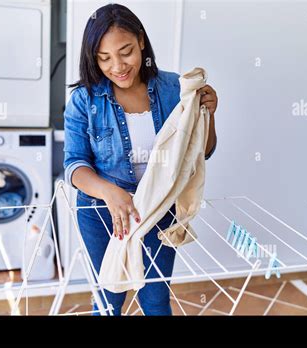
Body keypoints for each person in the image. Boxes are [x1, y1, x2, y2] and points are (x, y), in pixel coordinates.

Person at [63, 3, 218, 316]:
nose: (118, 66)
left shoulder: (175, 89)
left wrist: (209, 114)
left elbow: (202, 152)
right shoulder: (84, 100)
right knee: (108, 302)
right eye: (104, 58)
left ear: (141, 42)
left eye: (126, 51)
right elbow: (74, 166)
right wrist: (110, 192)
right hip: (103, 214)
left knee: (156, 300)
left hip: (160, 209)